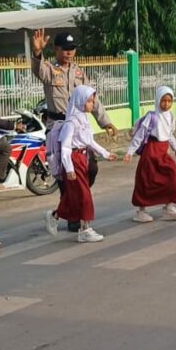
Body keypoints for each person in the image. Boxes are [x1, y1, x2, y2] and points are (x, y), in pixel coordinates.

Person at [32, 28, 117, 231]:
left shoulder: (79, 72)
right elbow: (38, 69)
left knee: (91, 168)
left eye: (72, 49)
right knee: (65, 172)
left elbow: (92, 99)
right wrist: (37, 53)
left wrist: (106, 122)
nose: (69, 52)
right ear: (56, 49)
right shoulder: (50, 70)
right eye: (65, 49)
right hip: (58, 127)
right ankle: (73, 215)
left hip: (79, 127)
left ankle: (72, 203)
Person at [44, 85, 117, 243]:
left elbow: (90, 142)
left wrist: (105, 153)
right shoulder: (71, 123)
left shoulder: (84, 119)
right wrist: (69, 168)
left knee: (74, 195)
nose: (92, 104)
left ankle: (54, 215)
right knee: (84, 195)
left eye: (92, 101)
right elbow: (65, 147)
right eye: (89, 101)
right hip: (74, 160)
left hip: (83, 158)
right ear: (80, 101)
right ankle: (85, 229)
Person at [124, 85, 176, 222]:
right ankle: (141, 211)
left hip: (163, 153)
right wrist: (130, 152)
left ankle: (169, 207)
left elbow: (170, 135)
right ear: (158, 100)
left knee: (173, 176)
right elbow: (139, 136)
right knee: (146, 181)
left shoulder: (170, 116)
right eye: (164, 100)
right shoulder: (152, 117)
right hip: (150, 153)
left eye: (169, 101)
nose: (166, 104)